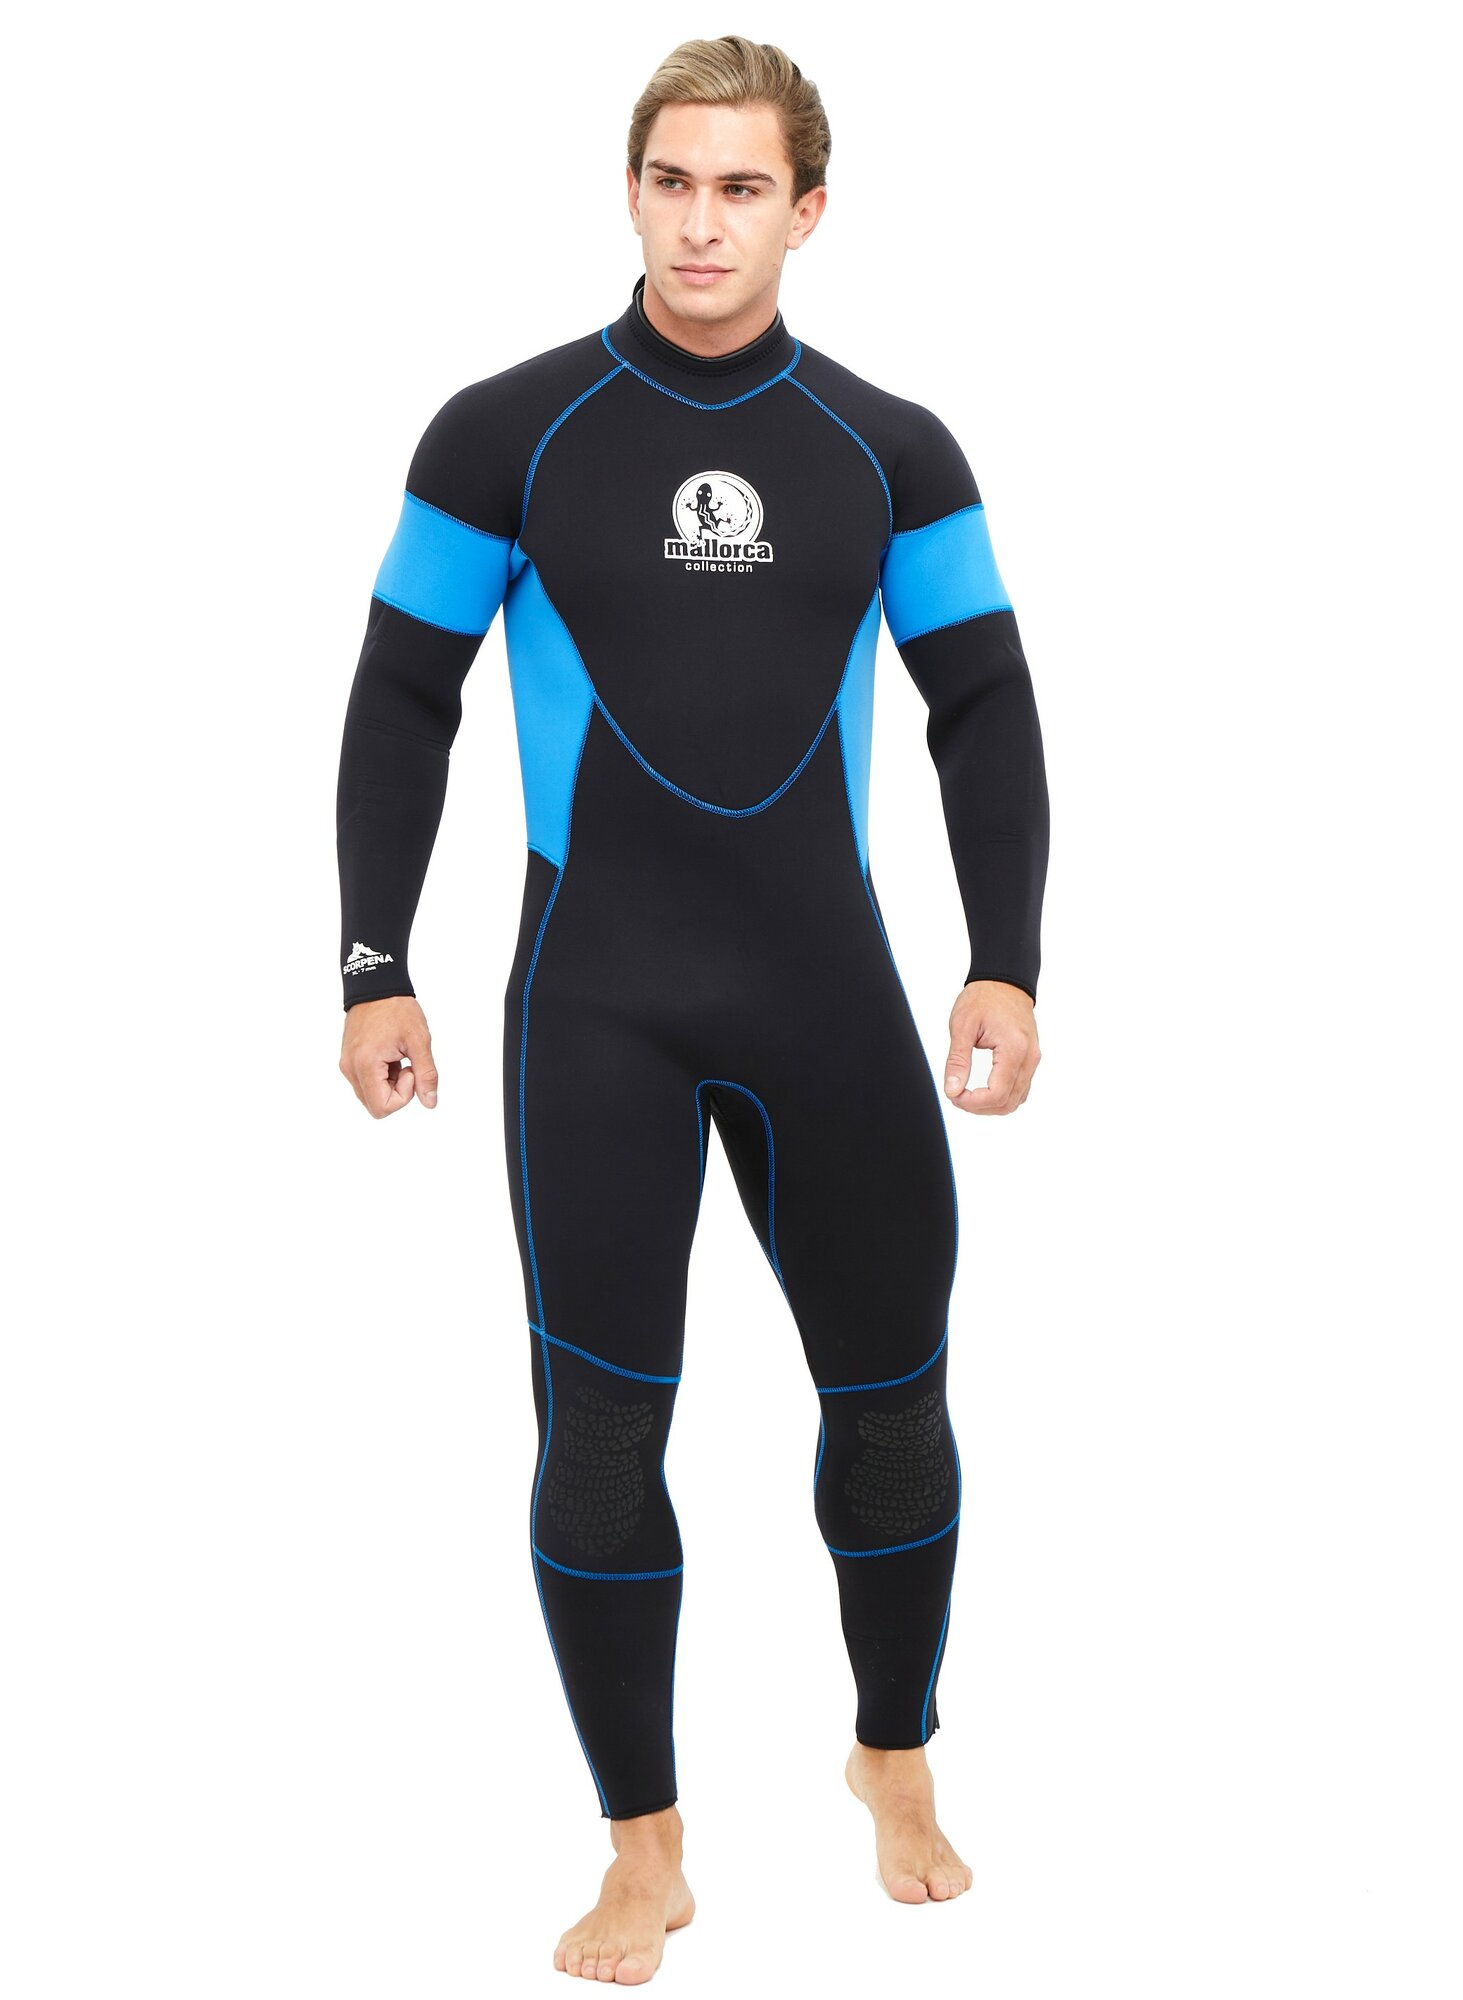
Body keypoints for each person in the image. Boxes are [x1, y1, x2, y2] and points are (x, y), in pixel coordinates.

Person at [336, 34, 1049, 1985]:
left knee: (891, 1410)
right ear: (631, 191)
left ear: (809, 210)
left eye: (743, 188)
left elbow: (984, 702)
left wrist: (1005, 954)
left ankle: (891, 1754)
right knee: (596, 1432)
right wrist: (374, 959)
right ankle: (643, 1847)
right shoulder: (507, 435)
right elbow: (402, 694)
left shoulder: (891, 450)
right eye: (673, 181)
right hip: (598, 1009)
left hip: (830, 1002)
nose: (702, 222)